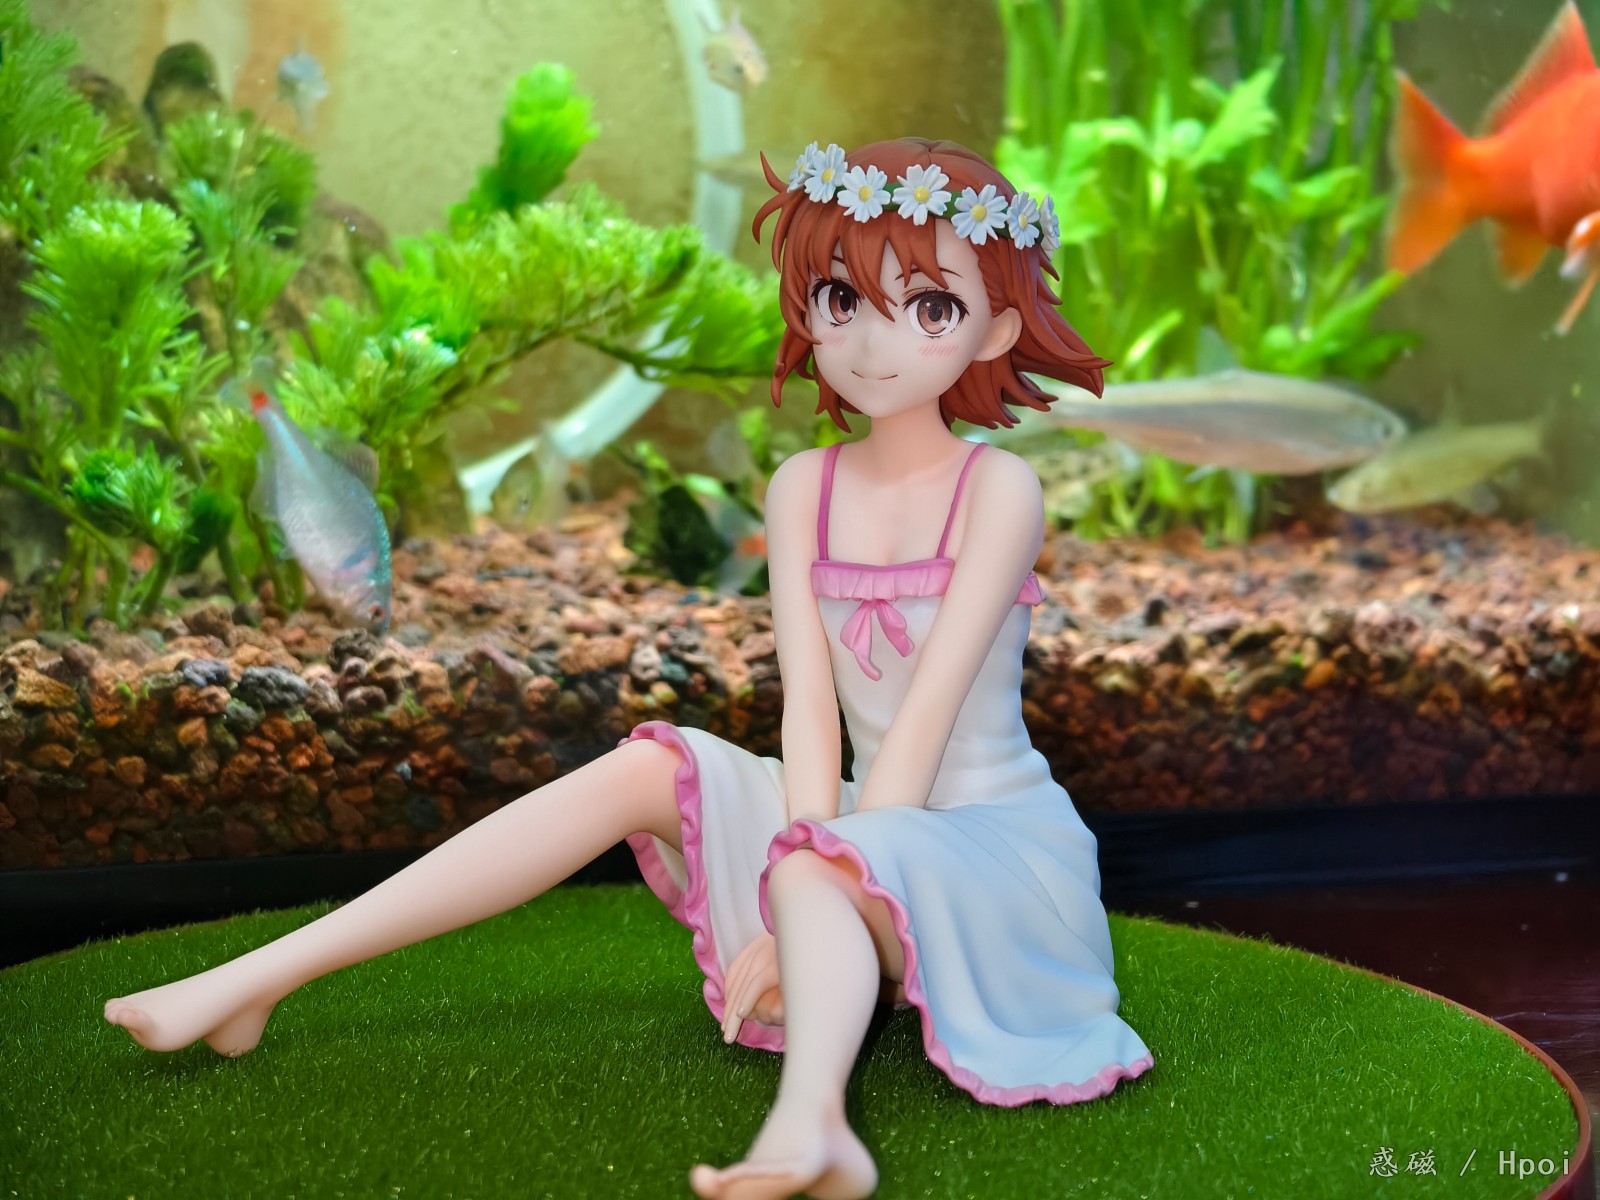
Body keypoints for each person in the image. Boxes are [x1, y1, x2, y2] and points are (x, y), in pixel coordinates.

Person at [103, 137, 1154, 1200]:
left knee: (812, 869)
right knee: (645, 769)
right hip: (854, 814)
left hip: (993, 854)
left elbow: (922, 724)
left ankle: (816, 1125)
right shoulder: (803, 487)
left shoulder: (998, 493)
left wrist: (822, 870)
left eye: (928, 309)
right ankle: (257, 981)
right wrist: (815, 852)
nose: (873, 344)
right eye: (841, 299)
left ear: (997, 329)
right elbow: (810, 713)